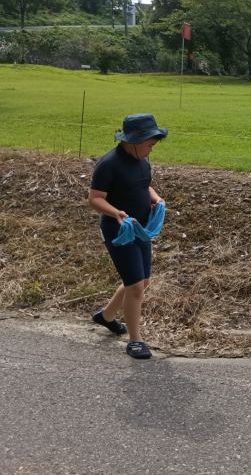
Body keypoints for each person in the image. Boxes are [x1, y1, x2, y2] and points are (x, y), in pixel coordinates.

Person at [88, 113, 168, 359]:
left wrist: (154, 198)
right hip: (118, 231)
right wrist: (116, 214)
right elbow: (95, 199)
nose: (150, 150)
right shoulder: (109, 164)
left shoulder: (142, 161)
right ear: (135, 140)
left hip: (141, 229)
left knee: (141, 282)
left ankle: (106, 316)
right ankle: (135, 341)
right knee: (135, 286)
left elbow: (144, 185)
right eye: (149, 145)